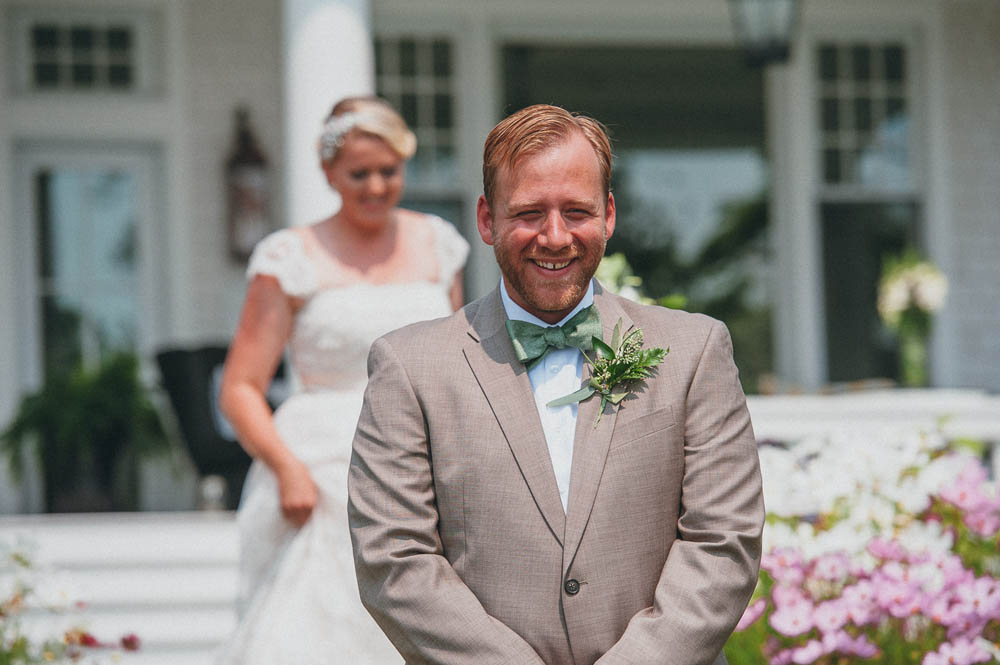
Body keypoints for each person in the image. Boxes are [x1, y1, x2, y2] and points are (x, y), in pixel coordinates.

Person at [348, 104, 764, 665]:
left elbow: (722, 544)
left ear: (609, 215)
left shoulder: (695, 351)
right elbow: (394, 560)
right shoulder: (408, 366)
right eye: (528, 213)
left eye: (577, 211)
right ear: (487, 219)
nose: (555, 236)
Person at [216, 96, 468, 665]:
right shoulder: (289, 258)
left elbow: (455, 365)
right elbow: (239, 388)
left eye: (390, 171)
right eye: (360, 173)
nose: (377, 186)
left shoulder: (439, 244)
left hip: (422, 461)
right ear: (329, 172)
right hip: (321, 472)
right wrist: (287, 470)